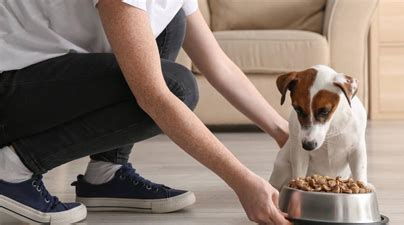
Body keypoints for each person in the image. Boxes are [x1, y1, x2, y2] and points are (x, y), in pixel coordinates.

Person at [0, 0, 291, 224]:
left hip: (40, 73)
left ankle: (106, 172)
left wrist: (284, 133)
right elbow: (154, 97)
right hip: (9, 85)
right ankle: (12, 169)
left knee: (173, 21)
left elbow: (218, 66)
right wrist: (242, 182)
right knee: (178, 88)